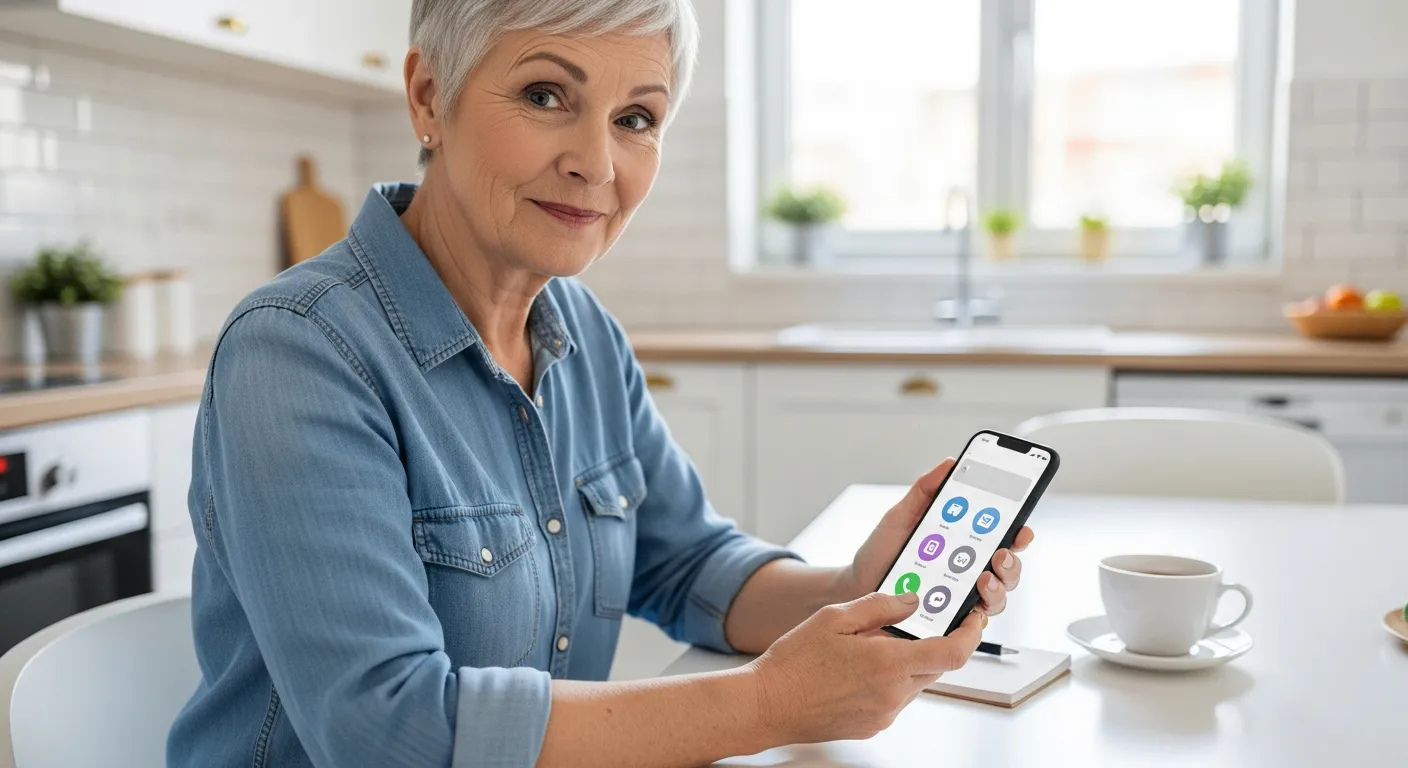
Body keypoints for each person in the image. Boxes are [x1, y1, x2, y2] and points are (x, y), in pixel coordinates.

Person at [165, 1, 1034, 766]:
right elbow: (389, 733)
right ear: (430, 96)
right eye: (547, 97)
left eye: (636, 117)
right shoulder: (298, 353)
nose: (597, 162)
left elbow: (689, 564)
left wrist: (849, 587)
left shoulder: (584, 336)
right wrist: (767, 703)